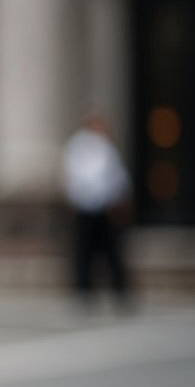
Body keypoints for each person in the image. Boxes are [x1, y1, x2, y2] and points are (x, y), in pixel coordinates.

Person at [63, 113, 131, 302]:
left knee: (112, 251)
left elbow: (117, 176)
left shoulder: (106, 147)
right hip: (87, 205)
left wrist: (119, 198)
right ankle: (84, 288)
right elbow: (77, 177)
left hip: (106, 206)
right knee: (85, 251)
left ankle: (118, 288)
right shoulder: (79, 145)